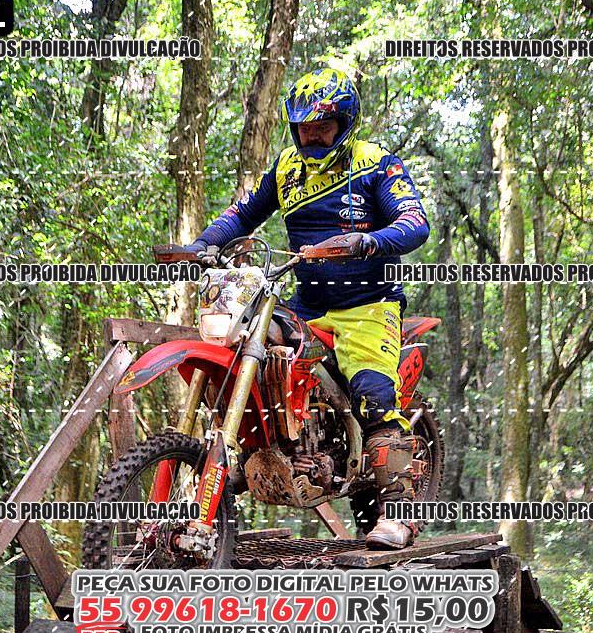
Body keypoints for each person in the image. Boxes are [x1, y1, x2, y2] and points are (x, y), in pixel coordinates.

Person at [183, 67, 430, 549]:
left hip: (368, 307)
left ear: (345, 123)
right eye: (304, 127)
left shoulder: (377, 164)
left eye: (323, 126)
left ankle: (400, 512)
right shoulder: (286, 169)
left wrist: (370, 241)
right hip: (306, 305)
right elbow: (242, 214)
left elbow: (415, 221)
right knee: (247, 349)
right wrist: (202, 245)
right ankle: (261, 452)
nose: (312, 135)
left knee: (374, 396)